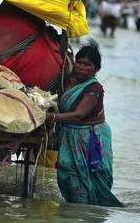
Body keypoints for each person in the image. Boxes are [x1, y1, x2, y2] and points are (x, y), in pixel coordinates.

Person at [45, 39, 123, 207]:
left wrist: (50, 118)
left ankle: (91, 209)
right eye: (79, 62)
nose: (81, 67)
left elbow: (78, 115)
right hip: (69, 133)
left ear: (96, 69)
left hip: (89, 136)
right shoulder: (66, 80)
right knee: (66, 170)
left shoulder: (94, 89)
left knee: (94, 175)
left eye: (87, 64)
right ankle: (76, 209)